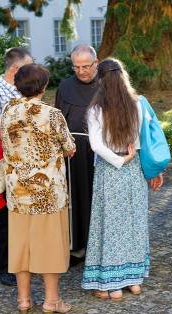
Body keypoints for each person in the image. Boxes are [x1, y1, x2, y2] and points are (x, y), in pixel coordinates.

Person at [82, 59, 163, 300]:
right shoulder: (138, 104)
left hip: (111, 169)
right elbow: (143, 141)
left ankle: (112, 283)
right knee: (133, 222)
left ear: (100, 79)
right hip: (134, 166)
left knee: (109, 224)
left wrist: (118, 160)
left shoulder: (96, 109)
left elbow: (96, 145)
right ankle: (134, 280)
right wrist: (137, 162)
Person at [1, 64, 76, 314]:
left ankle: (23, 299)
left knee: (21, 244)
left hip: (17, 192)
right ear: (43, 86)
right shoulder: (52, 114)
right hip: (48, 192)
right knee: (50, 243)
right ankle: (51, 300)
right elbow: (69, 147)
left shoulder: (8, 111)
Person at [0, 47, 33, 286]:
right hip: (8, 163)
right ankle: (2, 267)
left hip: (27, 162)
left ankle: (22, 261)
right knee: (5, 218)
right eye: (29, 65)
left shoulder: (22, 91)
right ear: (16, 69)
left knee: (22, 216)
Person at [55, 44, 98, 261]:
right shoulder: (65, 86)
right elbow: (58, 120)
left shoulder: (106, 85)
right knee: (75, 198)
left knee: (97, 196)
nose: (81, 71)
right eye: (77, 67)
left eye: (86, 66)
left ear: (96, 63)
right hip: (73, 153)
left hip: (101, 152)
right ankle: (77, 245)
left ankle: (99, 245)